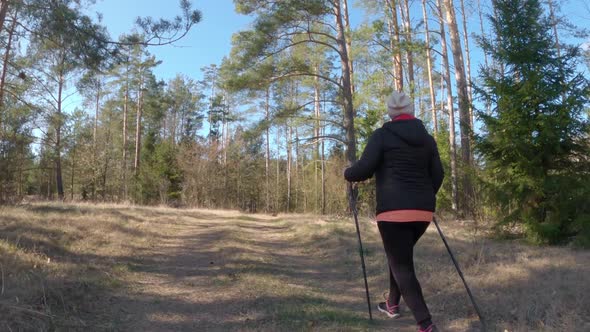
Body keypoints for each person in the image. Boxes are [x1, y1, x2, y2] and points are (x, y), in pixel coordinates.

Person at [344, 91, 444, 332]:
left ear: (390, 113)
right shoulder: (427, 139)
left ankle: (426, 324)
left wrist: (348, 173)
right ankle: (391, 304)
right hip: (422, 211)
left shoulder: (382, 136)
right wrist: (423, 195)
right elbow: (438, 174)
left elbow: (363, 169)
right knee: (399, 257)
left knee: (402, 266)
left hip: (392, 212)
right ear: (411, 111)